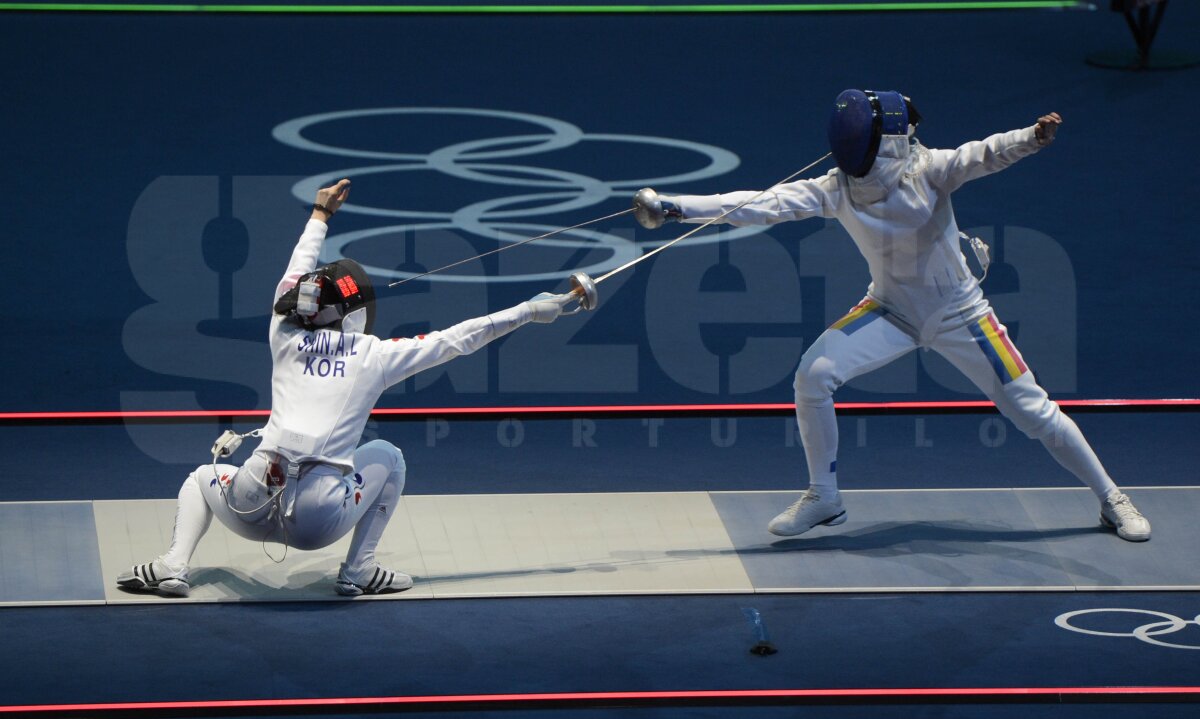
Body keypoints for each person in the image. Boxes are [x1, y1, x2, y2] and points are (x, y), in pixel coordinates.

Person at [633, 89, 1150, 542]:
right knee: (814, 376)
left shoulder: (930, 172)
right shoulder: (837, 189)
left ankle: (1112, 497)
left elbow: (986, 154)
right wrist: (676, 207)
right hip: (890, 311)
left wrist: (1031, 138)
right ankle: (824, 496)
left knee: (1030, 409)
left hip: (963, 315)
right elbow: (757, 204)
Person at [118, 179, 578, 597]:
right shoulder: (374, 356)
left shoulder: (284, 334)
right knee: (390, 457)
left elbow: (294, 277)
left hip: (251, 499)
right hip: (318, 521)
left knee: (201, 478)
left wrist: (320, 214)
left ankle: (171, 567)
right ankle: (357, 571)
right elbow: (457, 340)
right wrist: (530, 311)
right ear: (354, 316)